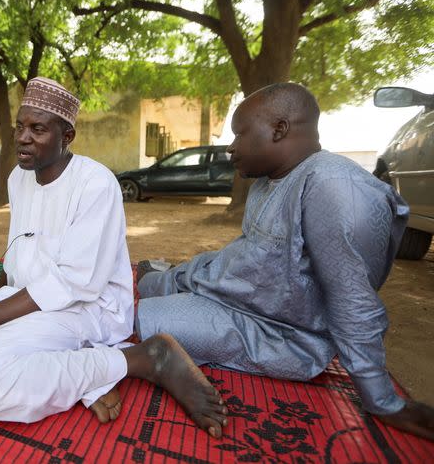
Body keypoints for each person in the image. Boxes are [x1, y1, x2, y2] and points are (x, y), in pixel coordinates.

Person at [0, 77, 228, 436]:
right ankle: (80, 375)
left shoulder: (95, 183)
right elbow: (24, 241)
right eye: (19, 127)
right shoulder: (19, 177)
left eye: (38, 129)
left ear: (67, 137)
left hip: (87, 307)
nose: (23, 137)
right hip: (29, 299)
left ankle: (143, 359)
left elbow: (71, 284)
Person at [136, 83, 434, 441]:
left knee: (132, 319)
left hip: (278, 334)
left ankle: (166, 320)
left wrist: (383, 400)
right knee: (145, 282)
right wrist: (186, 274)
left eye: (239, 134)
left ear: (279, 129)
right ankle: (171, 278)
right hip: (234, 295)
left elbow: (352, 299)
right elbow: (252, 257)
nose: (230, 147)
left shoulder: (335, 188)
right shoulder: (269, 180)